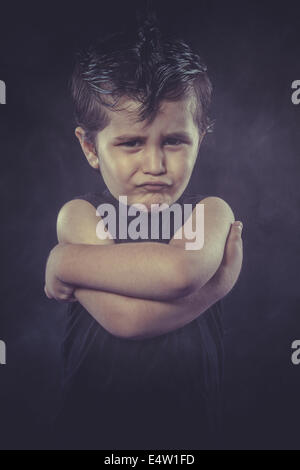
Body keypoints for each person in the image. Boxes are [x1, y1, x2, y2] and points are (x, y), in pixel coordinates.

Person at [44, 11, 243, 450]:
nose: (155, 165)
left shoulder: (211, 213)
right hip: (88, 436)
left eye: (174, 140)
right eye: (131, 142)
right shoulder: (79, 217)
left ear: (200, 139)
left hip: (190, 439)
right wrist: (217, 285)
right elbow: (125, 320)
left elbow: (176, 273)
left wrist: (65, 261)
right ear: (89, 147)